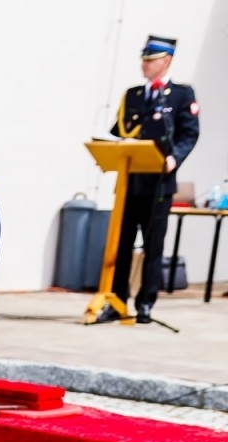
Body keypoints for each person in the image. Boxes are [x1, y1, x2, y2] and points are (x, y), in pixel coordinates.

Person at [98, 35, 200, 325]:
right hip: (130, 183)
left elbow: (189, 133)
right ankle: (116, 302)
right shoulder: (133, 96)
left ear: (166, 61)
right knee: (122, 245)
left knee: (153, 246)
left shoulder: (181, 94)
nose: (144, 65)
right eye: (143, 60)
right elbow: (118, 132)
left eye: (150, 60)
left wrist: (174, 157)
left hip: (158, 185)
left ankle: (145, 304)